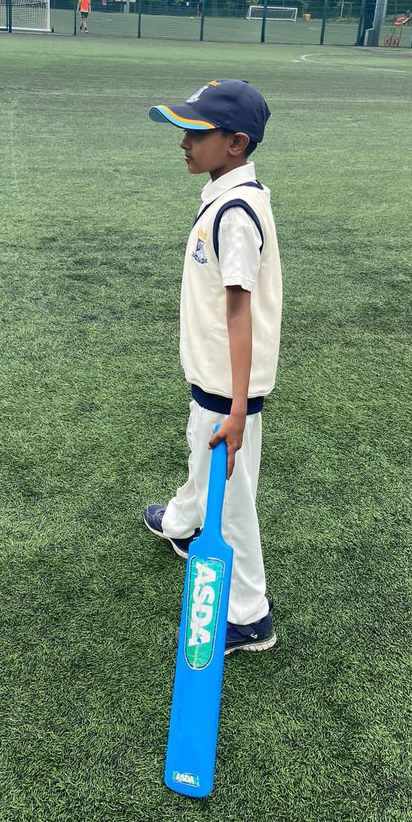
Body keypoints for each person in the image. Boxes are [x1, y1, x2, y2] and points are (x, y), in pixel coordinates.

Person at [143, 79, 282, 654]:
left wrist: (239, 407)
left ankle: (250, 613)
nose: (183, 140)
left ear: (235, 143)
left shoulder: (235, 215)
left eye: (198, 131)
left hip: (230, 389)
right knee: (201, 453)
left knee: (235, 499)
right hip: (215, 381)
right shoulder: (222, 198)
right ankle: (182, 520)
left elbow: (239, 312)